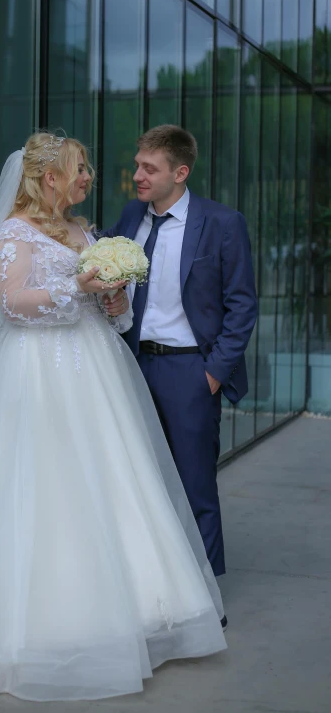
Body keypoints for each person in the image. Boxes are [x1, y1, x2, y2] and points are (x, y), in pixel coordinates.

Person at [0, 132, 226, 705]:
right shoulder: (13, 233)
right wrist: (78, 283)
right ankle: (53, 625)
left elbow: (112, 315)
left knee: (113, 481)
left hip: (94, 369)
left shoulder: (83, 231)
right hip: (37, 375)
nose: (88, 177)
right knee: (47, 487)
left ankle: (132, 614)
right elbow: (13, 302)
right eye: (80, 169)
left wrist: (115, 297)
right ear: (48, 178)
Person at [104, 125, 258, 602]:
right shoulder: (131, 215)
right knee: (138, 482)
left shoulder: (222, 223)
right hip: (132, 366)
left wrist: (212, 374)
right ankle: (152, 591)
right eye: (137, 166)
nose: (138, 176)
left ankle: (204, 600)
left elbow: (242, 306)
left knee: (194, 487)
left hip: (190, 372)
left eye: (149, 168)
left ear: (181, 172)